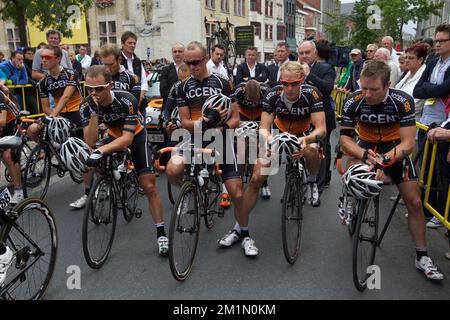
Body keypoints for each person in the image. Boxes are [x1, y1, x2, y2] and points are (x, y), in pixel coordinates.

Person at [340, 60, 444, 281]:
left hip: (394, 149)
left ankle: (422, 255)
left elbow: (407, 144)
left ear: (388, 85)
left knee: (415, 202)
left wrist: (384, 160)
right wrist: (363, 154)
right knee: (350, 167)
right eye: (363, 87)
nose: (367, 94)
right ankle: (348, 196)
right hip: (366, 146)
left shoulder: (402, 101)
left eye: (373, 89)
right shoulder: (354, 100)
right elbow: (345, 140)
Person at [163, 42, 248, 255]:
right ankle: (189, 191)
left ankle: (244, 233)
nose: (192, 67)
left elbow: (236, 118)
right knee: (172, 170)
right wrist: (202, 123)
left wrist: (221, 127)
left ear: (206, 58)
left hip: (221, 137)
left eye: (196, 62)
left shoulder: (224, 82)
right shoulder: (182, 87)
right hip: (195, 137)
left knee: (237, 192)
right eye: (188, 63)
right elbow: (184, 121)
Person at [237, 61, 325, 256]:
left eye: (295, 83)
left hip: (304, 134)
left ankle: (311, 181)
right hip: (278, 133)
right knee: (256, 178)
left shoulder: (312, 94)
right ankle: (239, 225)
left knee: (312, 149)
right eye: (285, 83)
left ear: (302, 81)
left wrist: (305, 140)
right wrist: (269, 141)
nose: (290, 88)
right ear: (281, 82)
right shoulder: (272, 94)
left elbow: (321, 128)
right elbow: (264, 127)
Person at [81, 65, 168, 255]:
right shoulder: (87, 104)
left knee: (149, 185)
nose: (93, 93)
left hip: (135, 136)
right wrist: (95, 114)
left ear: (110, 86)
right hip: (112, 135)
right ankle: (109, 179)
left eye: (99, 88)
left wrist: (101, 150)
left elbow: (127, 140)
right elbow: (91, 141)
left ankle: (161, 233)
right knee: (89, 159)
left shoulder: (126, 100)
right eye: (90, 89)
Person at [413, 23, 450, 228]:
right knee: (426, 168)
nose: (437, 44)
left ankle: (440, 212)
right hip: (426, 122)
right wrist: (435, 90)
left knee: (441, 171)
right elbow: (418, 90)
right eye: (436, 40)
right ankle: (427, 208)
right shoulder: (433, 61)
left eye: (442, 41)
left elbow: (446, 88)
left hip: (444, 123)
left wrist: (434, 89)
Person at [298, 40, 336, 191]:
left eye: (307, 52)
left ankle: (319, 185)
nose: (304, 56)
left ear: (315, 53)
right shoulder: (295, 68)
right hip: (302, 116)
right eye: (301, 53)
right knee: (300, 147)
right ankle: (298, 183)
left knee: (321, 149)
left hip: (322, 116)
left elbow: (327, 88)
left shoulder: (326, 68)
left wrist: (309, 75)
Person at [27, 45, 83, 142]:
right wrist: (57, 118)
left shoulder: (72, 73)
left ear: (58, 58)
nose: (44, 60)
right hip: (59, 114)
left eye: (47, 57)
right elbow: (45, 108)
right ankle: (46, 149)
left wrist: (52, 117)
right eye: (42, 57)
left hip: (77, 112)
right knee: (31, 130)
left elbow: (66, 97)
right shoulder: (43, 82)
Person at [232, 79, 272, 199]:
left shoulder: (267, 91)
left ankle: (264, 184)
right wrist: (237, 123)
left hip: (260, 114)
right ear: (244, 92)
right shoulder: (238, 91)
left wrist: (265, 127)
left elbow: (272, 112)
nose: (253, 102)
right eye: (251, 100)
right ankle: (239, 175)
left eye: (256, 99)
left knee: (263, 150)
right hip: (243, 113)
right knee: (241, 145)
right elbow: (232, 110)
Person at [0, 90, 23, 204]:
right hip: (2, 128)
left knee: (7, 156)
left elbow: (2, 121)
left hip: (14, 122)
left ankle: (19, 191)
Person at [395, 44, 427, 122]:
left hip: (412, 122)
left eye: (411, 58)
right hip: (397, 118)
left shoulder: (425, 75)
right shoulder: (408, 72)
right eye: (406, 57)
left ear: (420, 60)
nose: (407, 60)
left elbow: (418, 105)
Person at [120, 31, 148, 114]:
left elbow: (144, 82)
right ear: (122, 44)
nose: (132, 45)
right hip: (122, 106)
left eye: (134, 43)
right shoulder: (117, 60)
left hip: (140, 105)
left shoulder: (138, 61)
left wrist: (139, 100)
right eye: (130, 43)